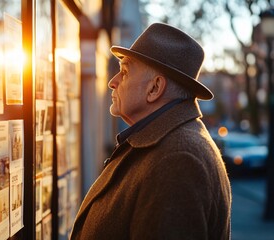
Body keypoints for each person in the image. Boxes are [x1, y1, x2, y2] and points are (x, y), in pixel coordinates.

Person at [70, 23, 231, 239]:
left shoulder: (178, 159)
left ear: (154, 88)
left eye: (125, 72)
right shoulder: (171, 143)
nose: (112, 82)